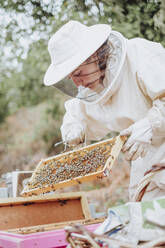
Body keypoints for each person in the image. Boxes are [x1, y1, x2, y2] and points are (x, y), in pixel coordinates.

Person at [44, 20, 165, 201]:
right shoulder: (93, 87)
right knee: (143, 218)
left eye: (78, 73)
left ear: (94, 56)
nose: (78, 83)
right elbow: (78, 114)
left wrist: (151, 123)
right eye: (72, 78)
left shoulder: (140, 55)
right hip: (145, 155)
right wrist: (73, 127)